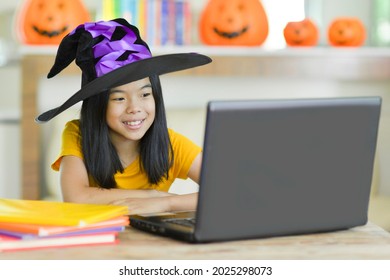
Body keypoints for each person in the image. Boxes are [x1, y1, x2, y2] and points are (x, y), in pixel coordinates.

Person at [36, 18, 212, 214]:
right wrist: (151, 195)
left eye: (145, 94)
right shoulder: (77, 134)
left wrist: (167, 203)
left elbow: (225, 191)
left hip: (152, 239)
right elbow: (76, 198)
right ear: (98, 104)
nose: (134, 108)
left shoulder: (171, 144)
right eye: (119, 98)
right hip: (99, 238)